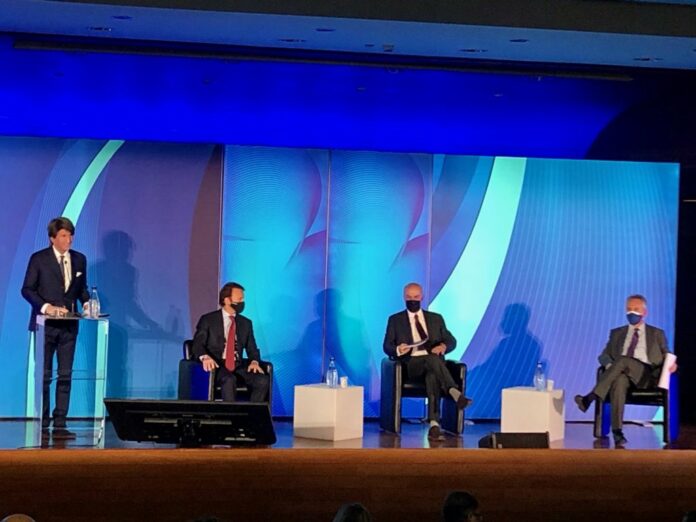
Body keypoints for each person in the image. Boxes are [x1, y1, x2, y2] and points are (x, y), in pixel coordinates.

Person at [574, 294, 676, 447]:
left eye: (636, 309)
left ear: (644, 312)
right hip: (623, 374)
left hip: (646, 375)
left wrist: (672, 365)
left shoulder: (656, 333)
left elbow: (666, 353)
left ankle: (590, 397)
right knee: (619, 381)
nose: (631, 312)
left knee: (623, 360)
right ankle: (618, 433)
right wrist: (612, 368)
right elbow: (603, 356)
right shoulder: (617, 333)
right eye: (629, 309)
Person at [21, 217, 90, 438]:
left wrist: (87, 303)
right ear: (52, 238)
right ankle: (42, 424)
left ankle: (60, 423)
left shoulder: (79, 259)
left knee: (65, 375)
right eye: (63, 235)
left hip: (69, 327)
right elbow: (27, 289)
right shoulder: (39, 259)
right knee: (44, 375)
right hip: (45, 326)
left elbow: (82, 289)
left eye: (70, 235)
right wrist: (47, 307)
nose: (68, 240)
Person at [383, 282, 471, 440]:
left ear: (422, 297)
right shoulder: (395, 320)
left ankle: (434, 425)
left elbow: (451, 341)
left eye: (416, 297)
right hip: (410, 365)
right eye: (409, 297)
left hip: (433, 366)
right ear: (404, 297)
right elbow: (387, 346)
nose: (412, 300)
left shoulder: (435, 319)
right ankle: (453, 391)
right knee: (432, 360)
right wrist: (398, 349)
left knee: (432, 375)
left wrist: (443, 346)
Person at [192, 282, 269, 402]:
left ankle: (251, 412)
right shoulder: (208, 320)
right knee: (229, 380)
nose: (242, 302)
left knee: (262, 380)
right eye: (239, 299)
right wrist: (205, 357)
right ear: (227, 300)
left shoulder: (246, 323)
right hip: (217, 365)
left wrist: (254, 361)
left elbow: (252, 348)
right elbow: (197, 344)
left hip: (238, 365)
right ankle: (231, 413)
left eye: (243, 299)